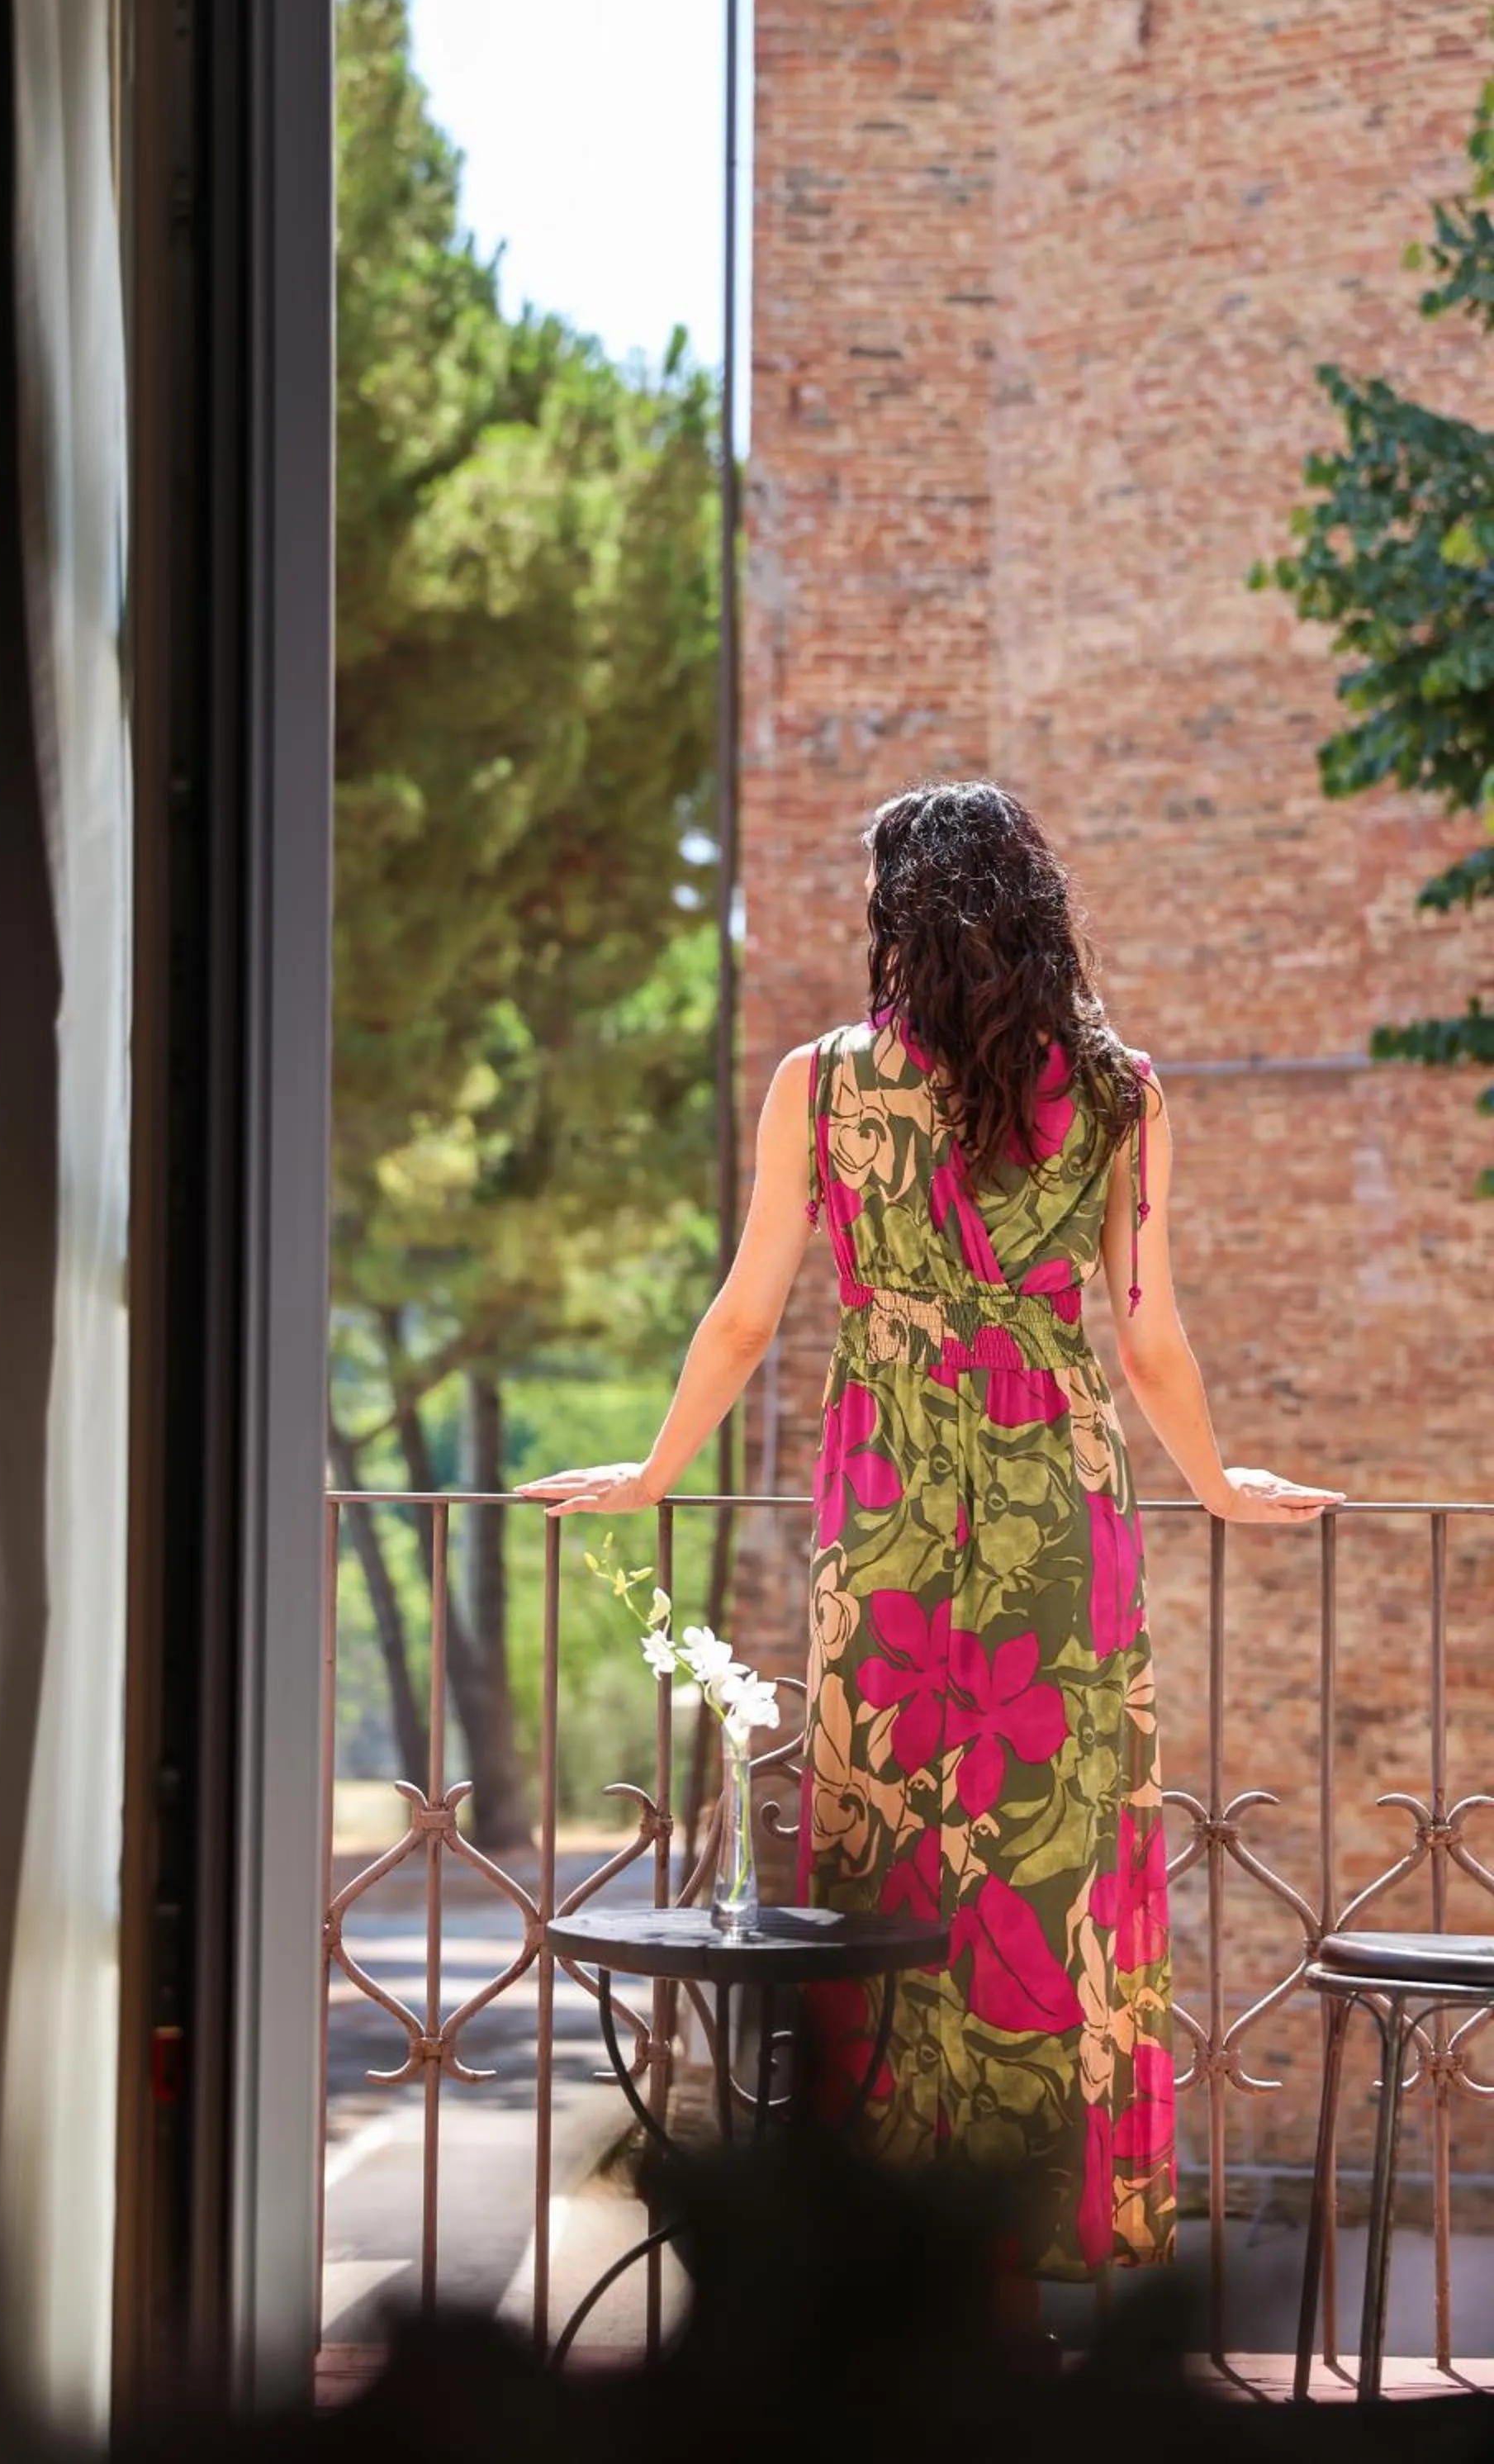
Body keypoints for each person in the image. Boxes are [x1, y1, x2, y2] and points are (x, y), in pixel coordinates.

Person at [516, 778, 1342, 2308]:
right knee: (1054, 1853)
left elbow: (749, 1313)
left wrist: (652, 1472)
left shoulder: (820, 1086)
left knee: (885, 1840)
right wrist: (1217, 1487)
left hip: (890, 1491)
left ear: (898, 914)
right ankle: (1029, 2226)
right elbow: (1148, 1337)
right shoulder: (1116, 1093)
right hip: (1058, 1491)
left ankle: (878, 2227)